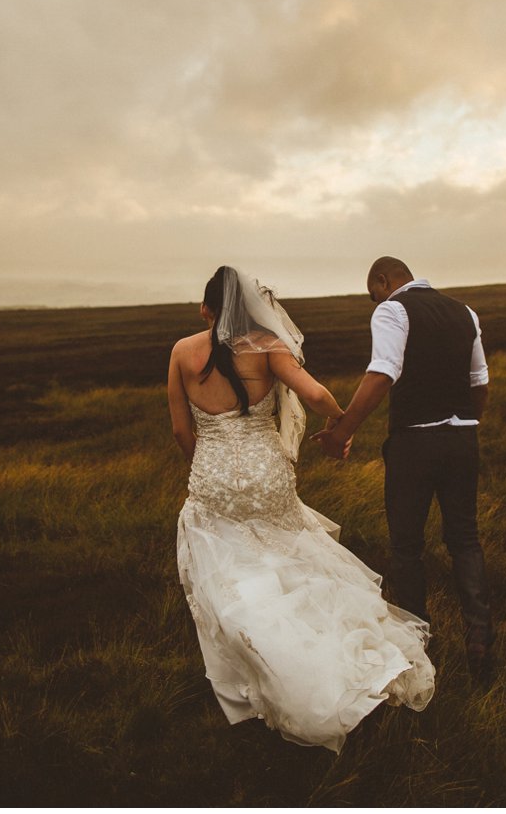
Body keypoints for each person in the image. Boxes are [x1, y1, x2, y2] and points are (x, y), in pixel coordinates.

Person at [168, 266, 434, 753]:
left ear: (207, 309)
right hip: (266, 473)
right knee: (293, 559)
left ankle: (263, 662)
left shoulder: (183, 351)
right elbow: (313, 394)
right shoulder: (267, 345)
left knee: (231, 571)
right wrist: (340, 426)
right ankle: (327, 651)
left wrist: (206, 467)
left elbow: (181, 432)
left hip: (213, 477)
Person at [312, 257, 495, 682]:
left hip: (415, 443)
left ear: (382, 280)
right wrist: (466, 427)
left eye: (371, 292)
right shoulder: (464, 312)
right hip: (462, 440)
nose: (372, 300)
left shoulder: (392, 309)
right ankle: (481, 642)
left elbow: (382, 373)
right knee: (465, 540)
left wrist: (342, 432)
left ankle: (419, 648)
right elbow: (480, 382)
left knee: (406, 546)